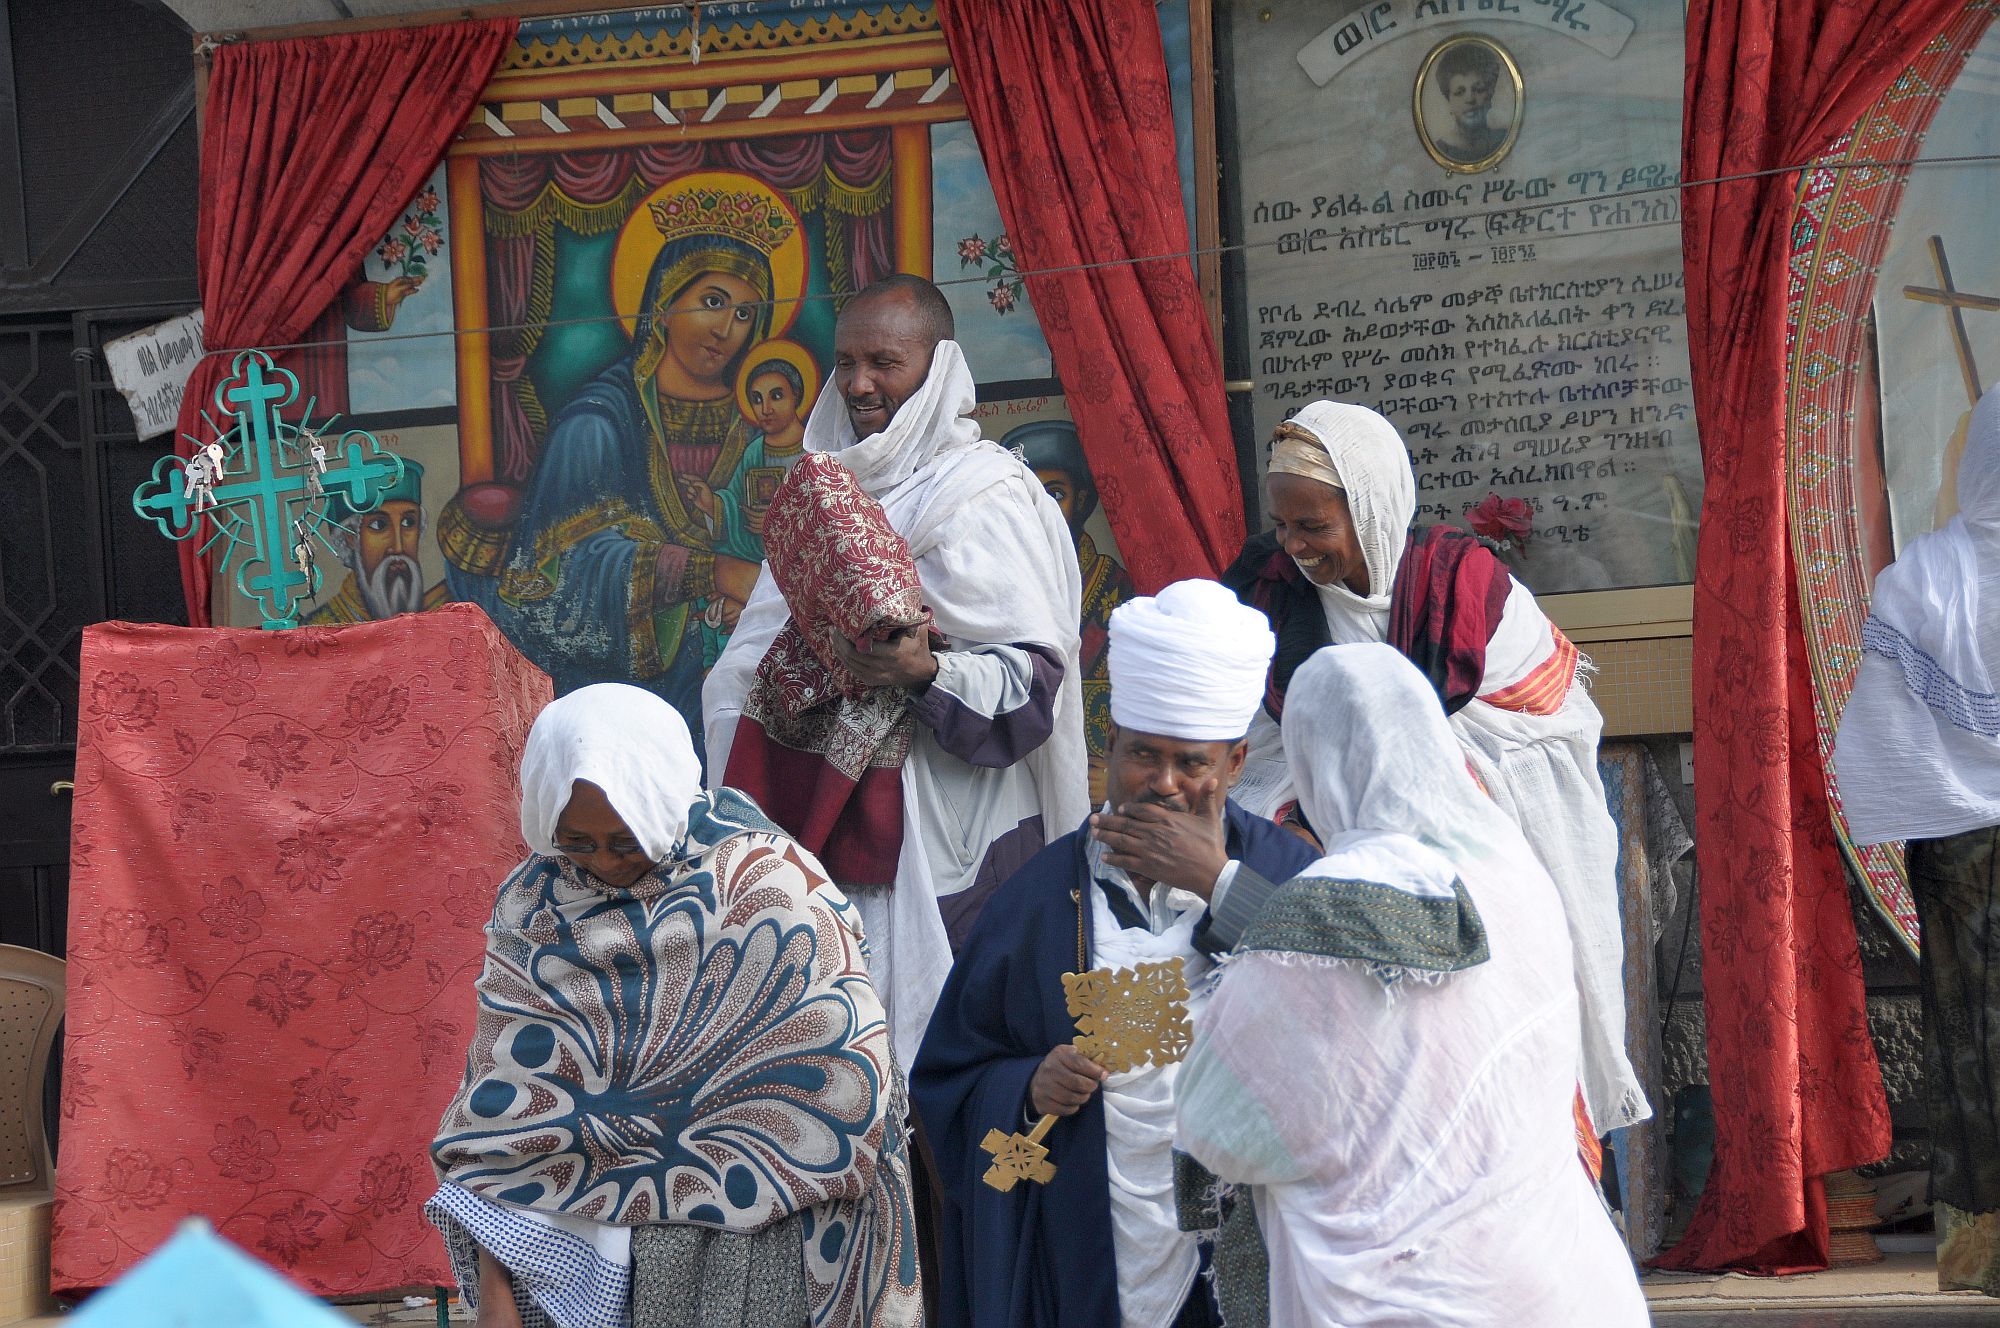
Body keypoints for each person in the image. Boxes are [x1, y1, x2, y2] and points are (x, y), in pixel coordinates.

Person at [1174, 643, 1648, 1327]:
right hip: (1571, 1287)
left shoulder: (1326, 911)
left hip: (1413, 1300)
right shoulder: (1513, 865)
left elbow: (1218, 1127)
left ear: (1308, 764)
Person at [426, 683, 921, 1328]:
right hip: (581, 1260)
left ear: (663, 803)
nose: (603, 863)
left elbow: (850, 1084)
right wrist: (498, 1294)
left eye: (625, 840)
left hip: (760, 1249)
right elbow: (502, 1124)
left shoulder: (766, 889)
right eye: (577, 842)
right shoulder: (535, 911)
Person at [1223, 399, 1646, 1135]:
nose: (1293, 545)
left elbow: (1533, 738)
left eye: (1313, 526)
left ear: (1374, 511)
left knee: (1494, 1063)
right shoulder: (1268, 588)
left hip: (1482, 853)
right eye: (1283, 525)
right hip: (1331, 859)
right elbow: (1258, 744)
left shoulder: (1466, 590)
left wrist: (1402, 807)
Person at [704, 273, 1087, 1069]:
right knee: (838, 1076)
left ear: (939, 368)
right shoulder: (827, 496)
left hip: (957, 845)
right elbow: (744, 660)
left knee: (960, 1080)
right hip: (825, 840)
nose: (860, 384)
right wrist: (791, 683)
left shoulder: (984, 497)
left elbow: (1030, 683)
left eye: (886, 362)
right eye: (845, 363)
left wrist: (920, 672)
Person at [910, 579, 1317, 1328]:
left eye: (1191, 763)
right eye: (1142, 756)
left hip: (1253, 1243)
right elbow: (947, 1085)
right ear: (1110, 747)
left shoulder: (1292, 879)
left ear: (1234, 762)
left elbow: (1347, 1025)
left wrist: (1218, 887)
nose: (1162, 785)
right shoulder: (1034, 900)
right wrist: (1028, 1084)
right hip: (1088, 1251)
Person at [447, 187, 784, 733]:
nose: (726, 329)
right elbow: (564, 572)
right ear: (666, 302)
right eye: (714, 301)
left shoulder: (759, 419)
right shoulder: (597, 421)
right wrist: (712, 572)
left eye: (745, 313)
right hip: (632, 695)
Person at [1835, 383, 2000, 1293]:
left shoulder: (1923, 579)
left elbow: (1884, 735)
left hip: (1963, 849)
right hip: (1965, 845)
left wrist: (1940, 794)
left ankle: (1988, 1249)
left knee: (1976, 1044)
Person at [1007, 420, 1138, 804]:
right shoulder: (1001, 586)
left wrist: (1123, 775)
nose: (1042, 510)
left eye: (1056, 493)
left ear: (1080, 501)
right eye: (1029, 496)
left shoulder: (1120, 592)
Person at [682, 346, 816, 564]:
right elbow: (736, 503)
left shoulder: (814, 449)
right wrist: (710, 504)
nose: (766, 409)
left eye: (777, 396)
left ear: (796, 395)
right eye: (757, 399)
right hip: (756, 563)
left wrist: (779, 523)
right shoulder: (755, 451)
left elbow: (830, 515)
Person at [304, 460, 449, 625]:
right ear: (350, 537)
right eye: (379, 525)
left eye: (408, 522)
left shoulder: (446, 617)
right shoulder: (320, 630)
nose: (398, 547)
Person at [1429, 40, 1507, 164]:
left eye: (1478, 89)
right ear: (1448, 102)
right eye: (1459, 92)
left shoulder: (1504, 139)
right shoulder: (1440, 149)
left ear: (1489, 95)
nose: (1470, 99)